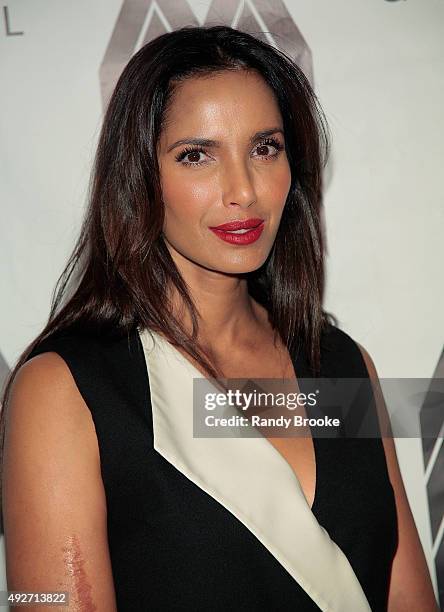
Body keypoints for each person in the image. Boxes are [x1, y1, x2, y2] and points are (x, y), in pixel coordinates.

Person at [0, 25, 438, 612]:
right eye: (196, 155)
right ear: (139, 179)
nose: (244, 190)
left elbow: (406, 596)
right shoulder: (65, 391)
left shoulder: (339, 364)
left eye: (265, 148)